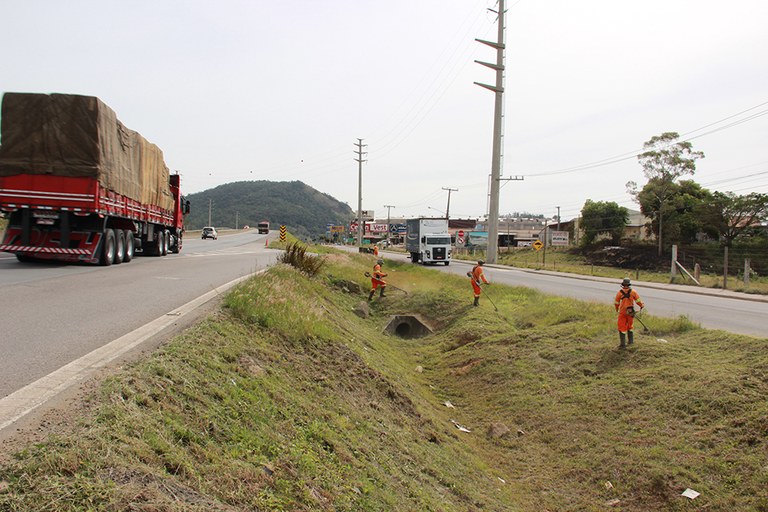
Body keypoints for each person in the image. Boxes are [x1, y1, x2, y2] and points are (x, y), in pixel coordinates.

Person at [614, 278, 644, 348]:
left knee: (622, 327)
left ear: (623, 284)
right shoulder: (633, 292)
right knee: (630, 326)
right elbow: (638, 301)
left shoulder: (619, 293)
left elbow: (616, 303)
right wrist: (641, 305)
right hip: (631, 312)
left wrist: (617, 309)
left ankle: (623, 344)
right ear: (629, 284)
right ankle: (630, 342)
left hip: (622, 312)